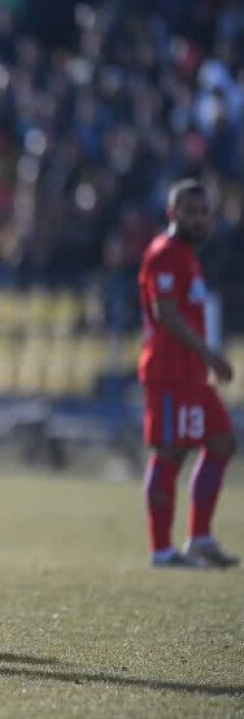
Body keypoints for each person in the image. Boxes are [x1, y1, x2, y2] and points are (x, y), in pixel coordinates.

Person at [138, 179, 237, 568]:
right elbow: (166, 314)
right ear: (172, 213)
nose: (198, 219)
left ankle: (200, 538)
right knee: (170, 453)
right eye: (189, 212)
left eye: (203, 212)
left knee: (222, 440)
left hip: (193, 374)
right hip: (168, 371)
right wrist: (210, 353)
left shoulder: (188, 256)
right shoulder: (164, 252)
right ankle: (162, 550)